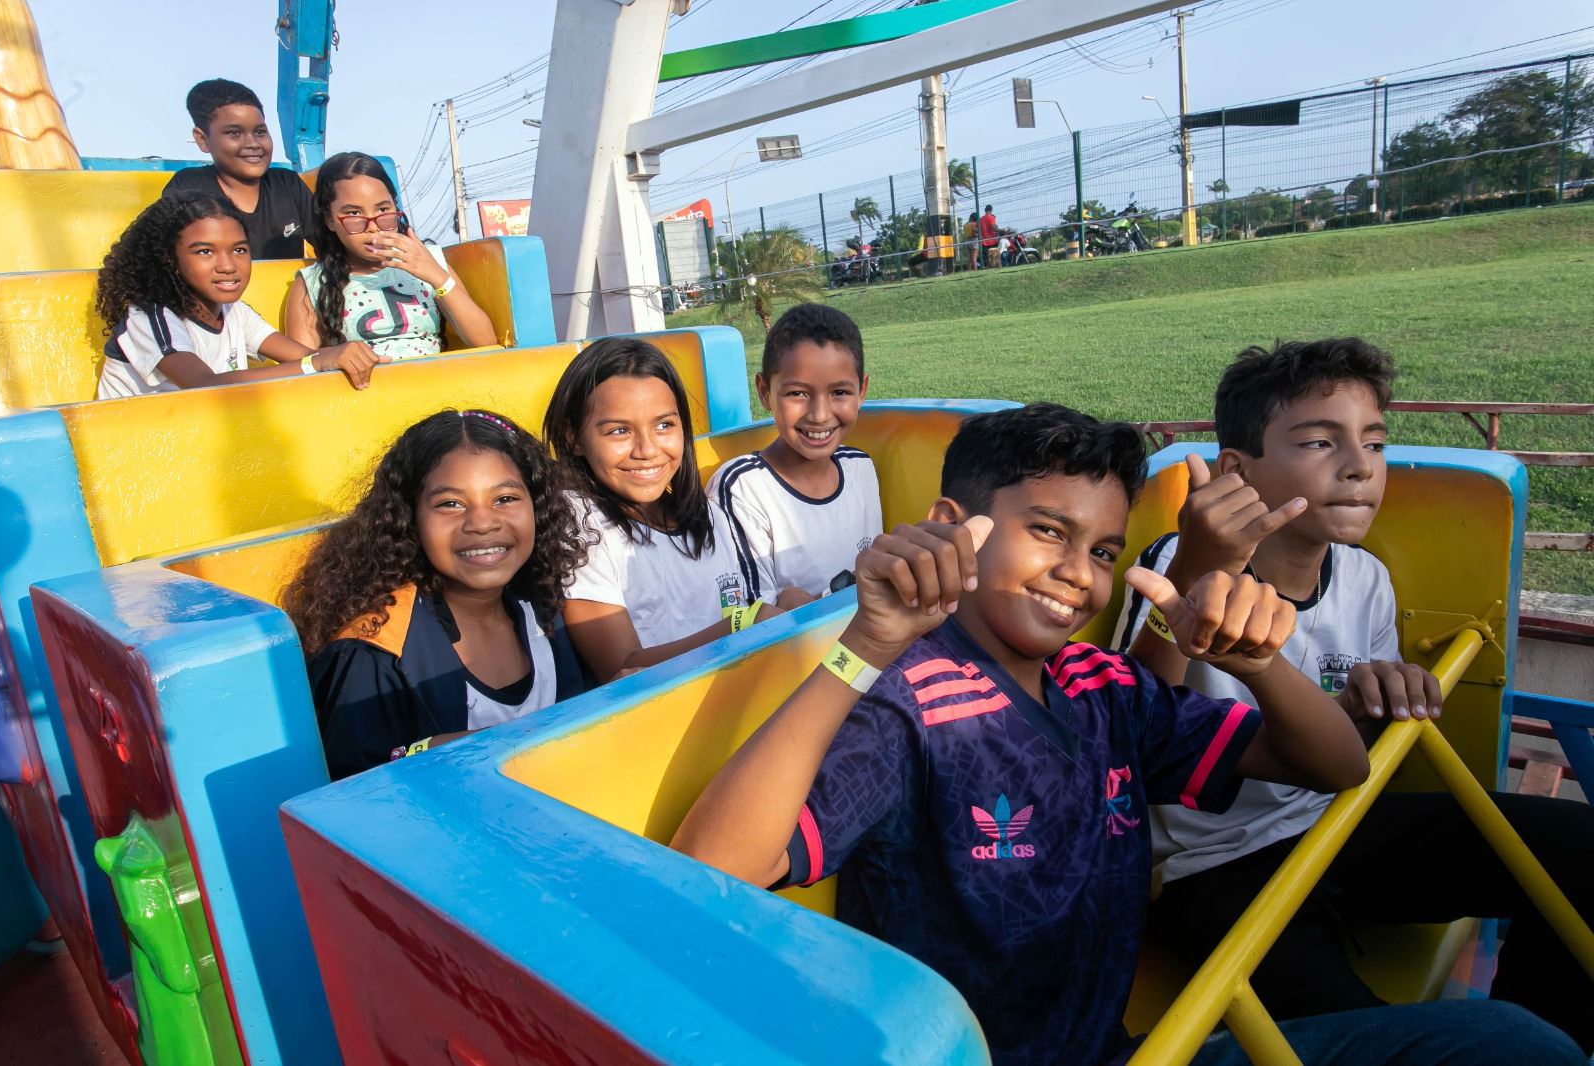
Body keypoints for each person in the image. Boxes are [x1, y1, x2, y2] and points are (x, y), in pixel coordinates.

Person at [674, 403, 1580, 1064]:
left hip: (1131, 1050)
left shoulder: (1101, 685)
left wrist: (1257, 660)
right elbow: (712, 871)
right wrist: (865, 642)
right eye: (1046, 532)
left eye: (1105, 551)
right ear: (954, 527)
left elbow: (1337, 764)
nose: (1078, 573)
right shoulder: (909, 702)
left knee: (1509, 1044)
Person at [1116, 338, 1594, 1052]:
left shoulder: (1367, 577)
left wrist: (1377, 701)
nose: (1360, 466)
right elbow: (1132, 727)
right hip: (1214, 870)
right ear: (1237, 471)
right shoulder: (1181, 569)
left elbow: (1356, 758)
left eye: (1374, 441)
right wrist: (1194, 572)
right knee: (1363, 1031)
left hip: (1339, 831)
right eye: (1319, 441)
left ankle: (1541, 1036)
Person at [283, 409, 586, 780]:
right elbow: (355, 793)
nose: (482, 522)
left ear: (537, 508)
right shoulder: (374, 651)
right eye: (450, 504)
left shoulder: (539, 603)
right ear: (409, 519)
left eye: (505, 498)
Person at [545, 337, 782, 684]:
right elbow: (621, 667)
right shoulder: (579, 523)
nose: (647, 449)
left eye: (664, 425)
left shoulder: (708, 515)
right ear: (574, 438)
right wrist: (740, 626)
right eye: (619, 431)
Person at [94, 194, 383, 399]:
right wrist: (316, 363)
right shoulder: (151, 317)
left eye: (239, 250)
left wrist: (347, 357)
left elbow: (305, 357)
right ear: (169, 259)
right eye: (205, 252)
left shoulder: (233, 311)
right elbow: (203, 385)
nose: (228, 265)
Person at [709, 304, 882, 604]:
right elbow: (754, 620)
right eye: (797, 393)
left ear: (862, 390)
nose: (819, 415)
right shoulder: (741, 488)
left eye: (839, 392)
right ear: (764, 392)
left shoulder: (860, 466)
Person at [284, 152, 497, 360]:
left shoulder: (430, 260)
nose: (373, 227)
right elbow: (303, 368)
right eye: (354, 214)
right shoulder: (312, 283)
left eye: (383, 209)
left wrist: (435, 275)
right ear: (330, 220)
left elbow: (485, 341)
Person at [162, 79, 313, 260]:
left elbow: (332, 245)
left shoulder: (288, 185)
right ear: (202, 139)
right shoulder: (187, 189)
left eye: (260, 132)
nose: (252, 144)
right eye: (234, 133)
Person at [979, 203, 999, 268]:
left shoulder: (981, 219)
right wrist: (1001, 230)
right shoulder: (992, 217)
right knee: (994, 256)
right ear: (991, 210)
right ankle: (995, 267)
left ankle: (988, 267)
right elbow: (994, 228)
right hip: (992, 241)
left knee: (987, 257)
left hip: (984, 242)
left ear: (985, 210)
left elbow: (977, 229)